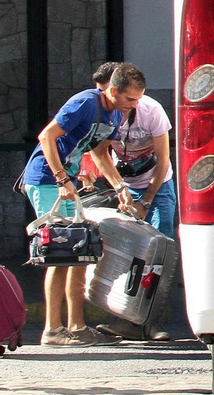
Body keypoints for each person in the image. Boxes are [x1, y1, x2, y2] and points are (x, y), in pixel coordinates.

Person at [21, 62, 146, 346]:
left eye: (137, 100)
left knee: (79, 251)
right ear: (113, 90)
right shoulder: (85, 103)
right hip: (46, 177)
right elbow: (46, 136)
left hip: (67, 182)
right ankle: (53, 330)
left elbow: (101, 153)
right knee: (60, 251)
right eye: (129, 99)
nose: (133, 106)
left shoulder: (116, 114)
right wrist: (62, 179)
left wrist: (120, 187)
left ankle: (76, 326)